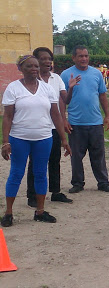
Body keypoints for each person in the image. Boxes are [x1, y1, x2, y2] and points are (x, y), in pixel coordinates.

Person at [1, 55, 72, 227]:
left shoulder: (47, 89)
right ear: (21, 69)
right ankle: (8, 213)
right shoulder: (13, 88)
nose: (33, 69)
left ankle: (40, 211)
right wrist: (5, 141)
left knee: (40, 173)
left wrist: (64, 139)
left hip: (43, 138)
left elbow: (55, 114)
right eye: (29, 67)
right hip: (19, 138)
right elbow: (8, 117)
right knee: (16, 173)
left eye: (36, 66)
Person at [60, 45, 109, 194]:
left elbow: (102, 96)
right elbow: (62, 100)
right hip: (76, 124)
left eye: (86, 56)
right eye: (80, 56)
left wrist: (107, 116)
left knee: (98, 154)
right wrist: (64, 120)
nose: (84, 59)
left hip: (95, 122)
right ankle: (78, 183)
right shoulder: (66, 75)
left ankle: (103, 182)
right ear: (73, 58)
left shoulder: (96, 74)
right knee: (76, 156)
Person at [25, 47, 74, 208]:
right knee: (36, 162)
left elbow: (65, 100)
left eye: (49, 59)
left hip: (54, 126)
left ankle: (55, 192)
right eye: (43, 59)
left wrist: (71, 87)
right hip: (37, 127)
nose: (47, 62)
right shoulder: (31, 80)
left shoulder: (56, 78)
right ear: (36, 61)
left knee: (55, 160)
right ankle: (32, 195)